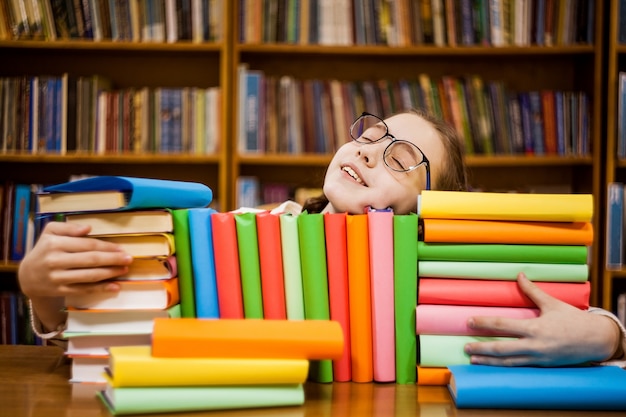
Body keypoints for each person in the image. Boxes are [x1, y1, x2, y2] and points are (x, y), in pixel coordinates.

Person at [18, 109, 626, 368]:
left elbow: (558, 310)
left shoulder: (447, 264)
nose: (368, 148)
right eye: (371, 133)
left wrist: (605, 332)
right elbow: (127, 327)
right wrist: (44, 295)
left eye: (402, 156)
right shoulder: (258, 230)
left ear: (433, 205)